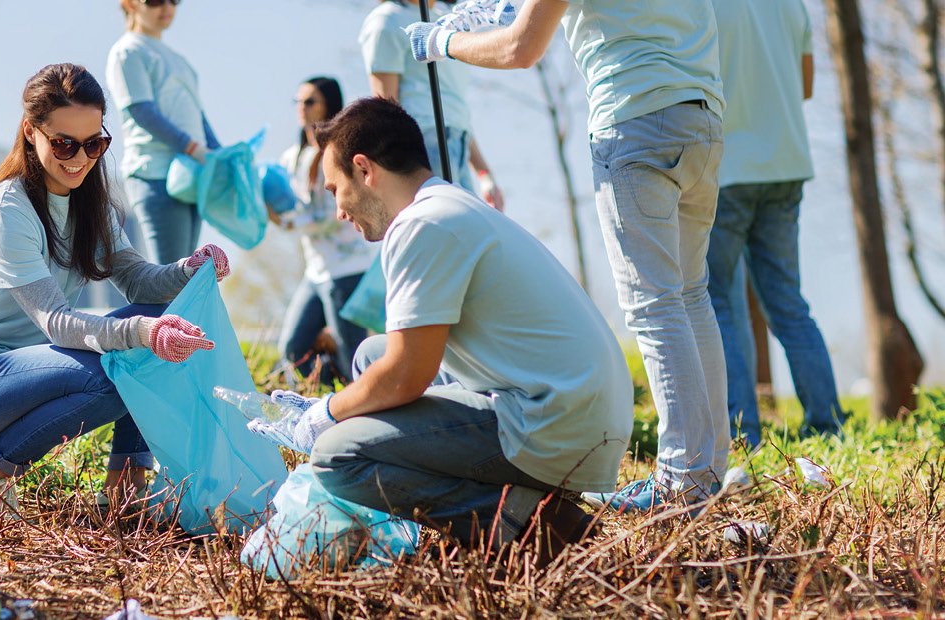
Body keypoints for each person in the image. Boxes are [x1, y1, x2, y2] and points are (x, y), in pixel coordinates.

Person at [252, 98, 633, 564]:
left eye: (335, 190)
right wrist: (343, 407)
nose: (338, 211)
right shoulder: (448, 206)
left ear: (364, 169)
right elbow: (395, 364)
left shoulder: (422, 226)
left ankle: (529, 523)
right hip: (574, 409)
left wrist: (326, 413)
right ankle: (506, 503)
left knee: (337, 456)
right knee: (371, 355)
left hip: (556, 425)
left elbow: (406, 376)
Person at [410, 0, 730, 512]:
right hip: (701, 119)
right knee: (690, 297)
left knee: (656, 307)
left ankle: (682, 480)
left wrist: (440, 43)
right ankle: (706, 469)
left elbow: (520, 47)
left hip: (633, 122)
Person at [0, 64, 230, 510]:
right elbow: (57, 323)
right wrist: (141, 335)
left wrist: (187, 270)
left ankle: (125, 488)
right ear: (31, 131)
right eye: (63, 143)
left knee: (159, 325)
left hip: (30, 372)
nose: (79, 158)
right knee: (126, 365)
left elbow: (139, 281)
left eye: (94, 143)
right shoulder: (4, 211)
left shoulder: (90, 206)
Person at [707, 0, 841, 447]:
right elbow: (804, 86)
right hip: (786, 162)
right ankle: (827, 426)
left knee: (719, 301)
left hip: (727, 169)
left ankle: (744, 434)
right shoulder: (792, 5)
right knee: (787, 302)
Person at [273, 77, 377, 386]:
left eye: (310, 102)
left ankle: (363, 409)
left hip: (346, 268)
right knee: (292, 349)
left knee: (354, 357)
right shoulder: (292, 157)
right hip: (315, 270)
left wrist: (292, 222)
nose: (301, 109)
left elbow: (339, 211)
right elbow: (288, 205)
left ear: (328, 105)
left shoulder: (340, 152)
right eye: (298, 102)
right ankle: (334, 398)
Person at [106, 0, 222, 264]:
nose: (167, 7)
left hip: (193, 175)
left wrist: (219, 153)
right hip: (155, 174)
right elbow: (141, 111)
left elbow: (197, 116)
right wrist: (192, 148)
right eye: (156, 1)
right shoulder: (128, 51)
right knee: (169, 279)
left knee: (184, 278)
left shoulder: (180, 60)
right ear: (130, 4)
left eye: (174, 1)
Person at [360, 0, 503, 209]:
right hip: (423, 143)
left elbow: (453, 109)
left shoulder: (447, 22)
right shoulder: (386, 21)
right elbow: (386, 111)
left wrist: (484, 174)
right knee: (449, 230)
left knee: (466, 232)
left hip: (458, 142)